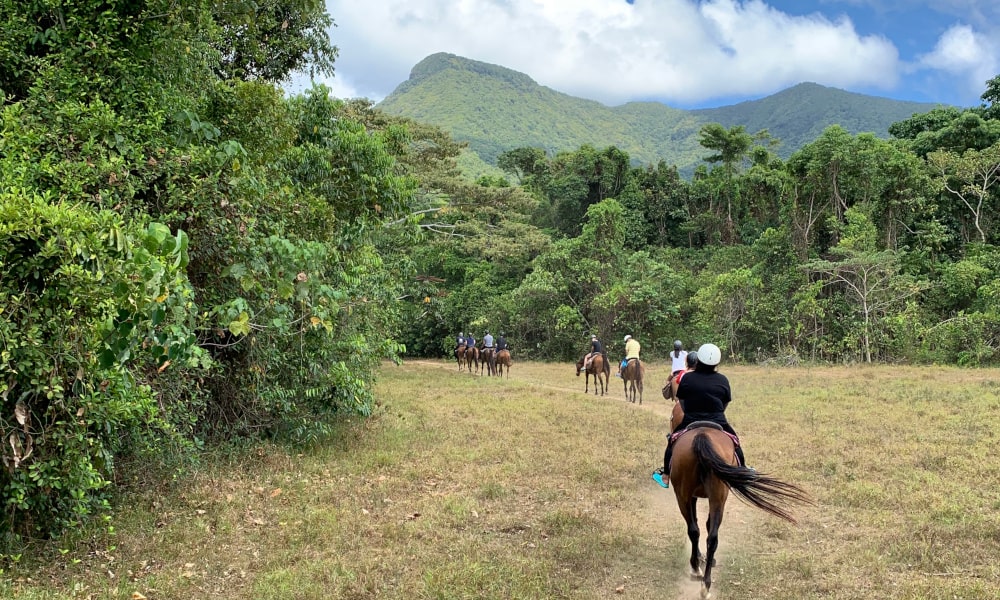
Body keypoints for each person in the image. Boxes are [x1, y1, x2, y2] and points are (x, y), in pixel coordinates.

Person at [652, 343, 751, 489]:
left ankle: (666, 476)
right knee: (735, 442)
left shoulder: (687, 378)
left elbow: (683, 403)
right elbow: (724, 404)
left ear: (698, 360)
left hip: (690, 420)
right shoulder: (723, 380)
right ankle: (742, 472)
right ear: (717, 362)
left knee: (672, 442)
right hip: (718, 420)